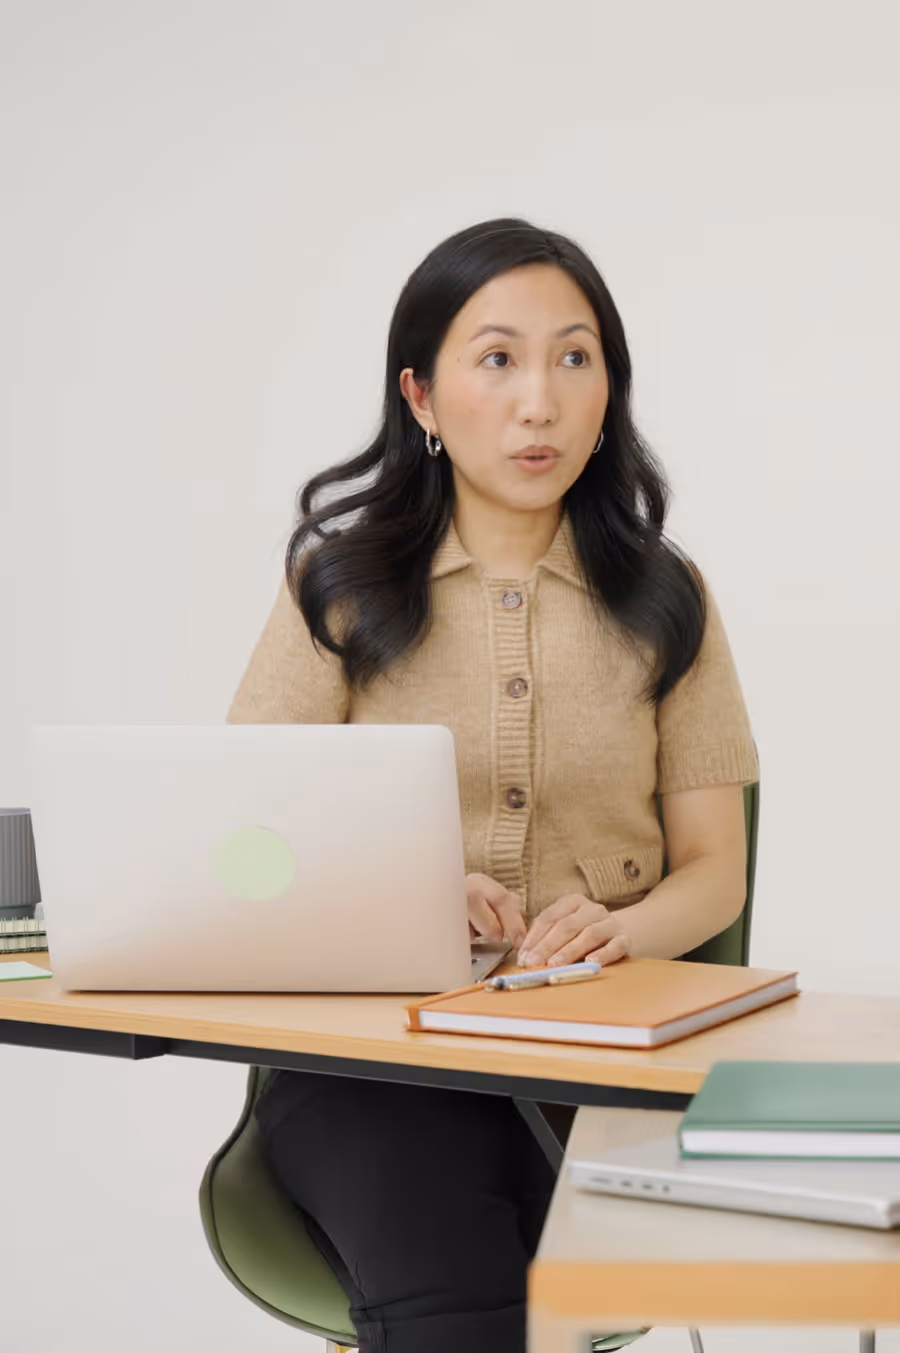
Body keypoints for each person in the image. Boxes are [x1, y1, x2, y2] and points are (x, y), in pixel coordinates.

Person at [226, 217, 759, 1353]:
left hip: (596, 1058)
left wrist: (617, 930)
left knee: (536, 1267)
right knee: (461, 1283)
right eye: (499, 358)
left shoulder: (670, 599)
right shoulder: (339, 587)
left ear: (609, 391)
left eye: (576, 357)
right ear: (421, 397)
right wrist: (412, 886)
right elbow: (245, 835)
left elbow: (718, 873)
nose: (541, 402)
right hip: (371, 1060)